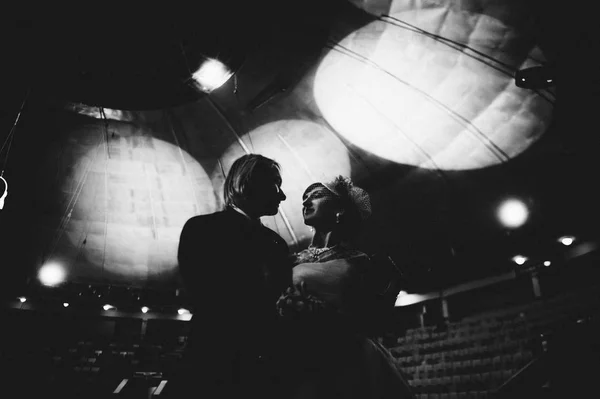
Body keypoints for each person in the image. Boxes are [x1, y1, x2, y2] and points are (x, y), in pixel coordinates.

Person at [276, 175, 415, 399]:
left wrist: (321, 314)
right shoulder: (291, 260)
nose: (306, 202)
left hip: (347, 358)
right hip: (301, 357)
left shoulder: (359, 260)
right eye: (305, 198)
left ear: (339, 209)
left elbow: (374, 319)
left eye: (316, 195)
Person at [174, 154, 292, 398]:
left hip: (248, 370)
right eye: (275, 184)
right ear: (247, 183)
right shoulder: (202, 230)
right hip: (218, 368)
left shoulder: (275, 243)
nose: (282, 195)